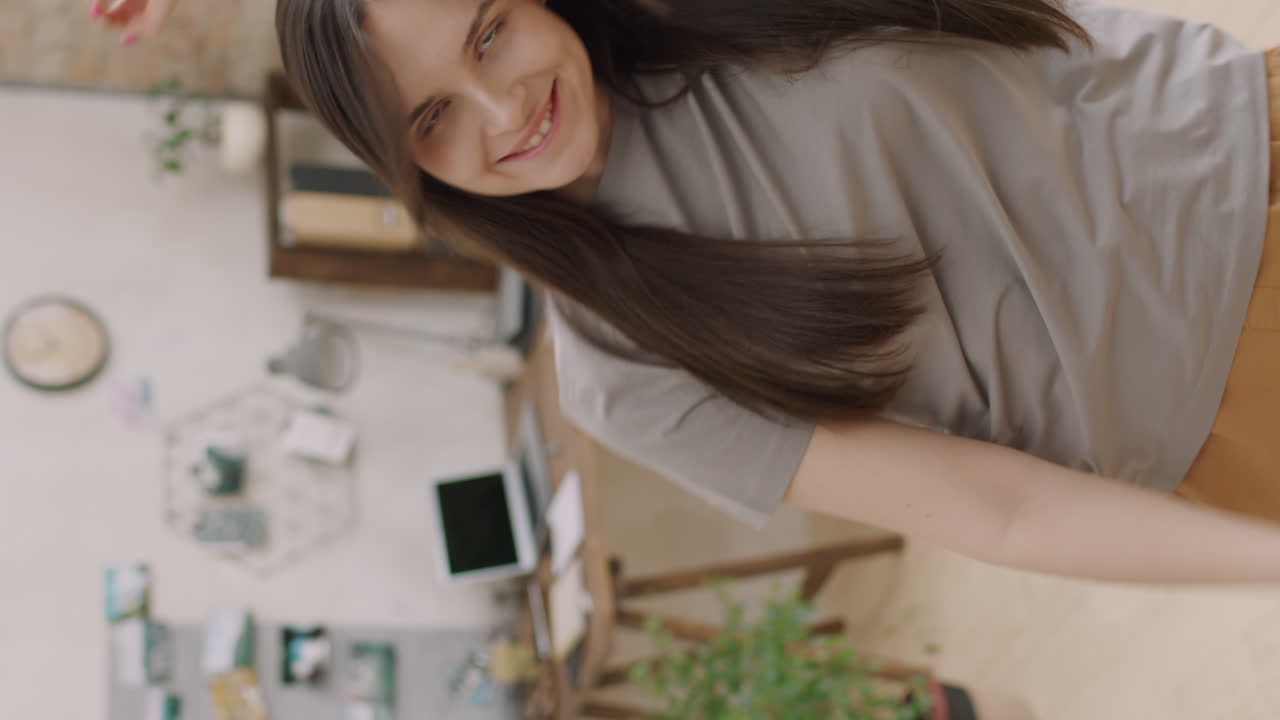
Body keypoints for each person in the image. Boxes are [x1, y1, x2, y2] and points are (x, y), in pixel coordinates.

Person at [94, 0, 1280, 586]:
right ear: (409, 169)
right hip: (1232, 382)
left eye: (490, 32)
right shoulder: (627, 371)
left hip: (1241, 117)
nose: (504, 112)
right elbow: (995, 511)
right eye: (435, 118)